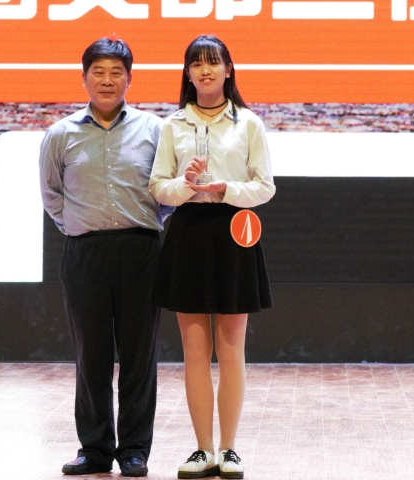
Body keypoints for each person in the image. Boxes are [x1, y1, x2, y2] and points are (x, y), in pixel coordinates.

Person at [39, 37, 171, 477]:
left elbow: (167, 191)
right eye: (98, 72)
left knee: (138, 356)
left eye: (117, 72)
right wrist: (79, 226)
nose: (107, 80)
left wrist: (145, 221)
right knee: (90, 355)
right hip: (85, 253)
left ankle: (134, 450)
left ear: (129, 79)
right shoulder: (60, 134)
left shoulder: (154, 130)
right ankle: (94, 449)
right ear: (84, 78)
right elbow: (51, 195)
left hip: (141, 251)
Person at [149, 35, 275, 479]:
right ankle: (203, 450)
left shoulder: (249, 123)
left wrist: (226, 189)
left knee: (232, 349)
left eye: (213, 62)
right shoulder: (172, 125)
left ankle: (229, 449)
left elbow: (265, 186)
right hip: (188, 234)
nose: (205, 70)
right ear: (187, 73)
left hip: (235, 232)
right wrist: (185, 184)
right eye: (197, 64)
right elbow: (158, 186)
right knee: (195, 351)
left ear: (228, 69)